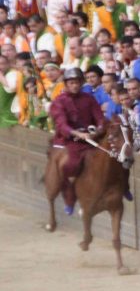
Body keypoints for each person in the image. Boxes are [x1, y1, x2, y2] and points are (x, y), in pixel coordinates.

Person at [48, 68, 106, 216]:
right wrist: (78, 134)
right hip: (70, 140)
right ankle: (70, 196)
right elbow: (61, 125)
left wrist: (97, 131)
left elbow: (99, 118)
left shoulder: (89, 98)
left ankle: (122, 187)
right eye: (72, 83)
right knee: (71, 164)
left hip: (92, 137)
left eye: (77, 82)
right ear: (66, 84)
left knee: (113, 156)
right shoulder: (59, 101)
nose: (75, 86)